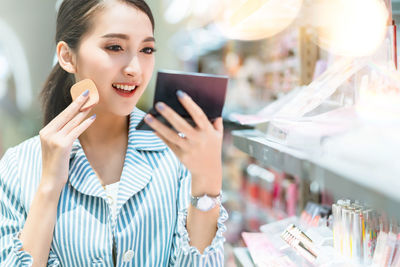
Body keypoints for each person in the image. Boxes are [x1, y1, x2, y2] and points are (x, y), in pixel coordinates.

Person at [0, 0, 227, 266]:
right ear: (67, 57)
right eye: (115, 47)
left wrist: (207, 185)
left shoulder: (178, 151)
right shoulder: (19, 166)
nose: (135, 69)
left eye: (147, 49)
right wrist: (49, 186)